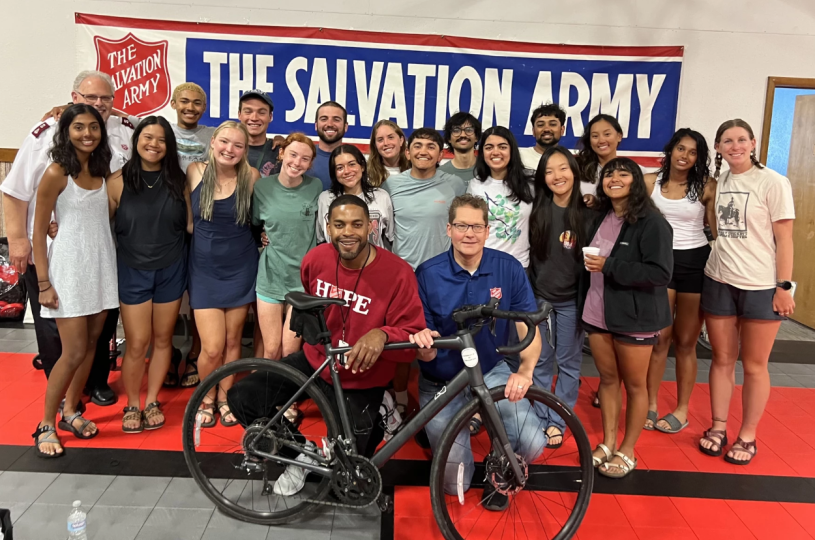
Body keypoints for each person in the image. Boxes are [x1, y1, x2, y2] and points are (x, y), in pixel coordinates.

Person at [227, 195, 426, 495]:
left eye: (357, 224)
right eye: (340, 224)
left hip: (362, 378)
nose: (348, 232)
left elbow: (412, 337)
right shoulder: (315, 259)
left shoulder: (399, 273)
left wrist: (383, 334)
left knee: (349, 482)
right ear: (328, 227)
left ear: (371, 227)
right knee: (242, 396)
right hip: (315, 362)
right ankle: (300, 456)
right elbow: (308, 306)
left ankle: (379, 410)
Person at [2, 70, 131, 408]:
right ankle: (55, 405)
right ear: (73, 99)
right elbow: (15, 191)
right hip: (56, 255)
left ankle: (92, 387)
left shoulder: (121, 136)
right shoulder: (45, 138)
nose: (99, 105)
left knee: (96, 335)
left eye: (106, 100)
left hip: (103, 253)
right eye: (90, 99)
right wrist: (18, 238)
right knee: (57, 337)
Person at [410, 194, 546, 510]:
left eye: (476, 226)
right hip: (441, 377)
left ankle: (496, 469)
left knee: (532, 442)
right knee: (452, 481)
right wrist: (424, 348)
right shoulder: (427, 274)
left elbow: (529, 325)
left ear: (487, 230)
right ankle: (440, 424)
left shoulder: (509, 268)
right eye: (461, 226)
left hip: (490, 369)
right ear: (448, 229)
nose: (468, 233)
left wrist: (524, 372)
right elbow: (424, 343)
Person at [698, 119, 795, 465]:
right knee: (722, 359)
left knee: (754, 365)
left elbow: (785, 239)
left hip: (760, 285)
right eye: (727, 141)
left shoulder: (773, 182)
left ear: (753, 143)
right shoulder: (718, 181)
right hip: (719, 279)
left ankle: (748, 435)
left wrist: (784, 287)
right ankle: (718, 427)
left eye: (741, 139)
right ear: (719, 147)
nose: (735, 146)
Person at [31, 104, 119, 457]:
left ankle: (70, 412)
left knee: (92, 345)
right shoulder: (56, 172)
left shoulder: (102, 171)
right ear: (66, 131)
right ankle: (46, 423)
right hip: (68, 269)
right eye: (79, 127)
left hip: (100, 266)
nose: (87, 134)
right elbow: (39, 232)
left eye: (94, 127)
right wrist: (43, 283)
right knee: (72, 352)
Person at [580, 157, 673, 478]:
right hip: (597, 312)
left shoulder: (652, 222)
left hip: (635, 316)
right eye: (609, 174)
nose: (614, 179)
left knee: (635, 386)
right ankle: (607, 442)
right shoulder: (600, 216)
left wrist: (609, 266)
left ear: (635, 181)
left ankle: (628, 449)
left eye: (623, 174)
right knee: (607, 381)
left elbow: (660, 273)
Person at [107, 117, 193, 432]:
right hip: (132, 270)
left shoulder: (180, 181)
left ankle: (153, 399)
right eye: (148, 137)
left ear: (169, 146)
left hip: (171, 269)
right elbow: (100, 228)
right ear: (137, 140)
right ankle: (132, 403)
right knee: (137, 342)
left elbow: (192, 225)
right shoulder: (117, 181)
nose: (153, 144)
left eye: (161, 139)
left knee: (162, 339)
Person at [381, 127, 466, 414]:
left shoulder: (454, 184)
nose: (423, 151)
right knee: (404, 342)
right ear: (408, 151)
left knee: (445, 339)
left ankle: (453, 399)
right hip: (403, 277)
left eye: (431, 147)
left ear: (441, 154)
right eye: (417, 145)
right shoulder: (391, 186)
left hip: (442, 277)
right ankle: (400, 399)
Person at [643, 129, 717, 433]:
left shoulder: (707, 187)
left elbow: (717, 229)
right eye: (680, 149)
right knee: (659, 340)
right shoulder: (649, 183)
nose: (685, 156)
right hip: (660, 264)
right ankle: (649, 404)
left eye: (692, 152)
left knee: (686, 343)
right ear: (670, 150)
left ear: (698, 157)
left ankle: (683, 409)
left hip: (694, 264)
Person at [187, 121, 260, 428]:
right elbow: (187, 220)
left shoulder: (252, 176)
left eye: (238, 145)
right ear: (213, 141)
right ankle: (206, 397)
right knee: (212, 346)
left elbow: (261, 219)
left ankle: (225, 398)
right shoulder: (194, 171)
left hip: (241, 268)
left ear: (245, 151)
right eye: (225, 142)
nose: (230, 149)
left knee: (232, 342)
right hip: (204, 271)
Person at [527, 146, 591, 448]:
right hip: (539, 299)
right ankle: (539, 417)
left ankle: (557, 420)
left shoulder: (588, 213)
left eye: (563, 168)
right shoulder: (536, 209)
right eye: (549, 170)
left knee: (568, 363)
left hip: (571, 303)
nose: (557, 176)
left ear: (574, 172)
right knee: (539, 360)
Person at [254, 133, 322, 362]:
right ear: (281, 153)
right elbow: (254, 225)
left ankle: (288, 397)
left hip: (301, 280)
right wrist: (262, 236)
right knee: (271, 349)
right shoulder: (261, 188)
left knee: (289, 351)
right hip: (271, 276)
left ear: (311, 163)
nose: (297, 162)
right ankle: (267, 397)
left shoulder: (316, 186)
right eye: (293, 154)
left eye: (305, 159)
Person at [467, 126, 535, 268]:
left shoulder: (530, 183)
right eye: (489, 147)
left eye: (502, 147)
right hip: (484, 265)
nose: (495, 152)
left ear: (512, 150)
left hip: (519, 266)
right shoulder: (475, 185)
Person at [316, 144, 394, 249]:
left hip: (374, 263)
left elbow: (390, 238)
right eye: (340, 167)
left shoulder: (381, 197)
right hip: (336, 263)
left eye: (352, 164)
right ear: (334, 173)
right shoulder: (325, 199)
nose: (347, 171)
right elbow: (321, 239)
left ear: (362, 166)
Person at [576, 114, 624, 206]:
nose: (601, 140)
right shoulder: (577, 168)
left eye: (607, 134)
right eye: (595, 136)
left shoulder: (634, 171)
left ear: (619, 136)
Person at [238, 89, 281, 177]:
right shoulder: (228, 149)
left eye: (261, 112)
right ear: (239, 115)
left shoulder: (281, 152)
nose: (254, 118)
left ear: (270, 116)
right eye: (248, 111)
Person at [311, 101, 349, 190]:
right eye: (324, 119)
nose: (330, 124)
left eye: (336, 119)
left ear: (345, 127)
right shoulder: (303, 157)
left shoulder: (355, 160)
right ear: (316, 125)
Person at [519, 103, 566, 172]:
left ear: (562, 130)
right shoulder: (519, 158)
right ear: (533, 131)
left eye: (552, 124)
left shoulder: (569, 160)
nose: (546, 129)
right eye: (540, 125)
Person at [439, 112, 482, 184]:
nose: (463, 135)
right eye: (456, 131)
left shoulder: (488, 170)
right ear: (449, 138)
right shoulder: (440, 174)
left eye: (469, 130)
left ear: (476, 137)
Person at [367, 119, 409, 187]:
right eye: (380, 140)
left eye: (391, 137)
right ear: (375, 145)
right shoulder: (367, 174)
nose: (386, 143)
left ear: (401, 140)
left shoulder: (414, 170)